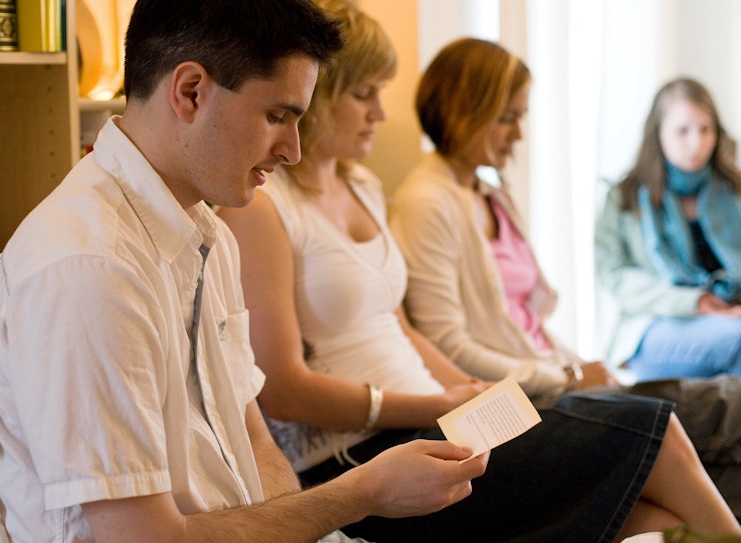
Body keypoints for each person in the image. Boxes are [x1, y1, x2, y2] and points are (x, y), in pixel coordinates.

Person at [0, 2, 493, 541]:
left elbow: (256, 443)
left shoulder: (208, 236)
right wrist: (362, 493)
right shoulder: (88, 270)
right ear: (190, 91)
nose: (292, 150)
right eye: (277, 116)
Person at [218, 12, 741, 540]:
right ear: (321, 95)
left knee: (663, 512)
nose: (380, 112)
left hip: (434, 417)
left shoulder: (365, 187)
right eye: (366, 94)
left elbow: (403, 328)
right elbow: (283, 391)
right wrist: (442, 403)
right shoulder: (265, 206)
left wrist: (467, 390)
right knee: (662, 432)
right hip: (365, 448)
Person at [387, 37, 741, 519]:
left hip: (552, 378)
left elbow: (526, 324)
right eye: (509, 117)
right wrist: (569, 375)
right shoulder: (427, 202)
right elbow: (451, 346)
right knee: (719, 414)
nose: (518, 134)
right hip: (531, 397)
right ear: (466, 111)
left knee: (727, 435)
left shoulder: (490, 194)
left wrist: (580, 366)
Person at [594, 77, 741, 381]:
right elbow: (615, 277)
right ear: (658, 133)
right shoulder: (624, 197)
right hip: (656, 322)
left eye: (705, 129)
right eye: (682, 131)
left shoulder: (733, 189)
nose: (696, 143)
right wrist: (694, 302)